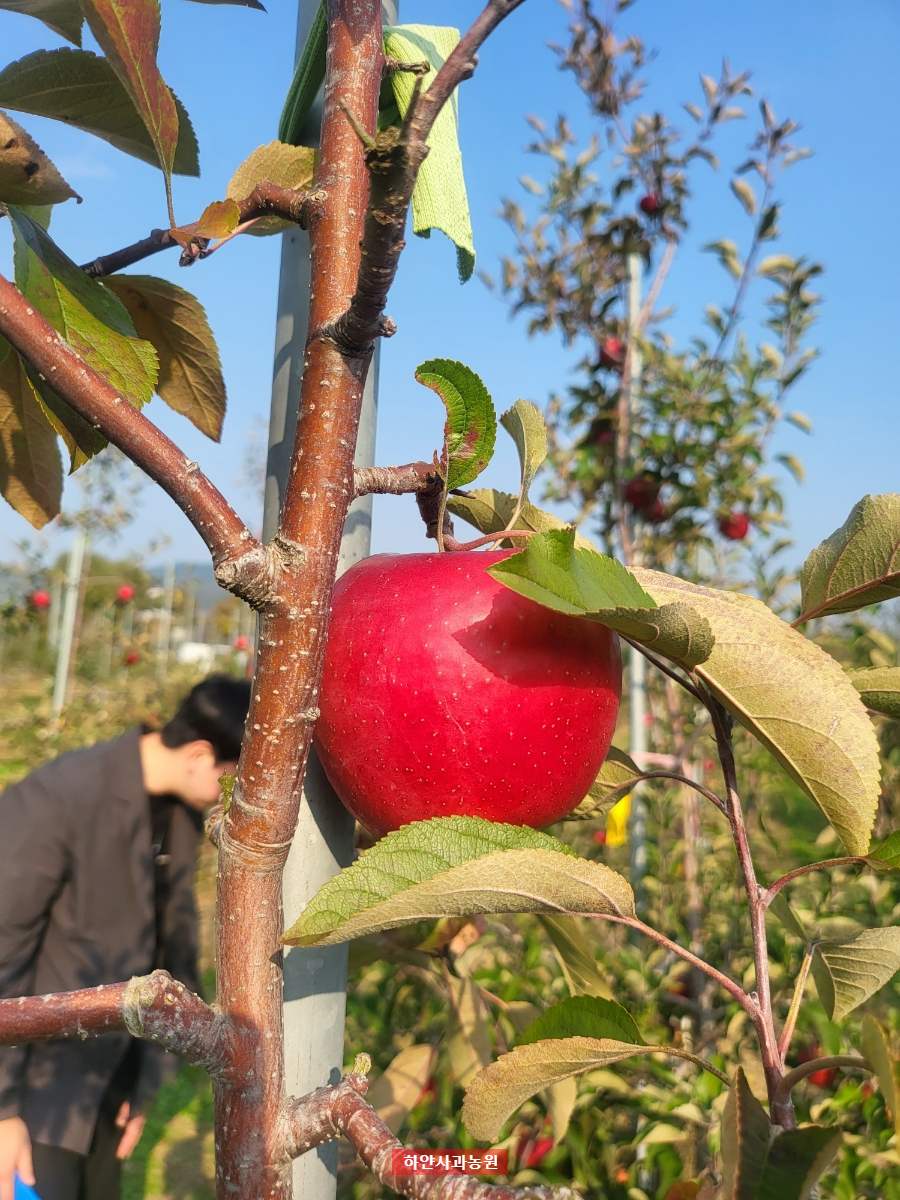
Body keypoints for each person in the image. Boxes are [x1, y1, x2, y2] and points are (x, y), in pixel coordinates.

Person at [0, 674, 251, 1200]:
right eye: (231, 775)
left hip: (111, 1076)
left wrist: (146, 1080)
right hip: (38, 1089)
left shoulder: (178, 813)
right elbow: (3, 950)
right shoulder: (60, 797)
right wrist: (2, 1112)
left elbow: (172, 943)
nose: (230, 794)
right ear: (201, 755)